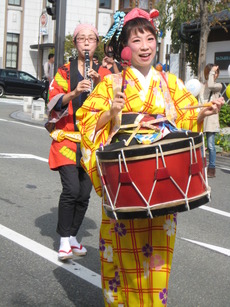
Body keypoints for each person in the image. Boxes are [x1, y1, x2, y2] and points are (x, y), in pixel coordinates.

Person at [76, 9, 224, 306]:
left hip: (161, 184)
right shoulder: (112, 84)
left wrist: (202, 114)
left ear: (156, 42)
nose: (145, 45)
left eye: (150, 38)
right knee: (123, 261)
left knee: (157, 264)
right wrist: (112, 112)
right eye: (137, 39)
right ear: (126, 47)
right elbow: (86, 123)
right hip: (126, 185)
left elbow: (183, 119)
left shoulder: (170, 83)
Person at [46, 23, 100, 261]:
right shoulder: (65, 72)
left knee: (86, 192)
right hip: (67, 138)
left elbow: (113, 104)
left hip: (91, 142)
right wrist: (75, 92)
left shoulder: (104, 73)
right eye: (82, 39)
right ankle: (64, 240)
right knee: (72, 189)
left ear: (97, 43)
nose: (87, 42)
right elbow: (53, 100)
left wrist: (100, 86)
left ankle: (74, 237)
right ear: (76, 43)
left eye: (91, 38)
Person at [199, 64, 223, 178]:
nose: (215, 74)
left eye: (216, 73)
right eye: (213, 72)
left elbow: (211, 84)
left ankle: (211, 169)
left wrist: (212, 72)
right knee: (199, 144)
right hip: (201, 117)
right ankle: (200, 167)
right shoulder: (201, 86)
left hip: (211, 119)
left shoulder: (218, 86)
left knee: (210, 145)